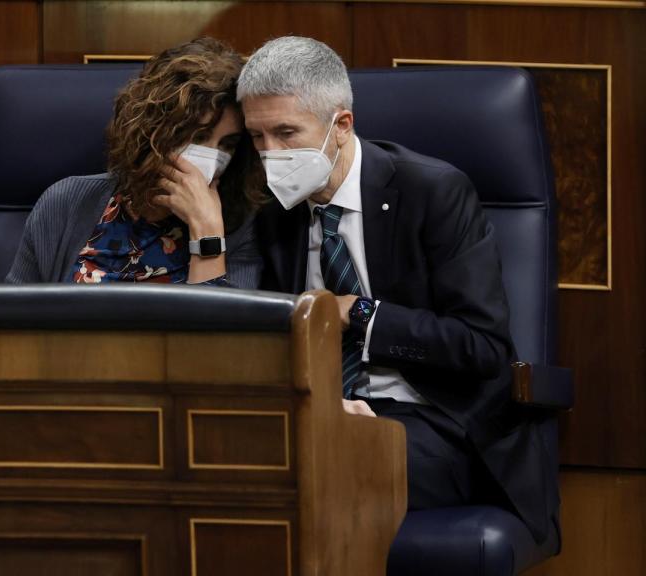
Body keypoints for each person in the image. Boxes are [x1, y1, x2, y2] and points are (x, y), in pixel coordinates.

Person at [238, 36, 558, 544]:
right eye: (257, 138)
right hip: (320, 415)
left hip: (435, 420)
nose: (270, 155)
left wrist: (361, 315)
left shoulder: (432, 191)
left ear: (341, 126)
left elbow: (481, 347)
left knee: (328, 463)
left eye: (286, 133)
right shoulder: (274, 211)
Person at [6, 37, 265, 287]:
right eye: (198, 136)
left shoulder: (239, 226)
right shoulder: (66, 202)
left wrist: (207, 231)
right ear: (153, 131)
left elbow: (218, 329)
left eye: (227, 144)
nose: (211, 157)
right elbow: (11, 319)